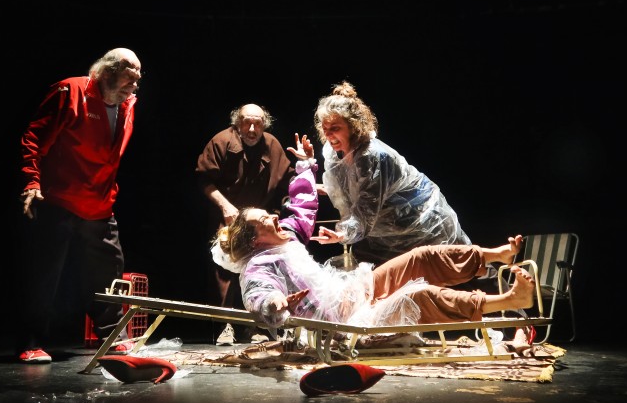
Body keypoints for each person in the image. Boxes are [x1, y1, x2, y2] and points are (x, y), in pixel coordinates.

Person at [211, 134, 536, 348]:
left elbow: (302, 204)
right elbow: (257, 293)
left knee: (419, 257)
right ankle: (509, 300)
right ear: (255, 241)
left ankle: (495, 255)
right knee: (418, 296)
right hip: (343, 325)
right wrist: (274, 304)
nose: (273, 218)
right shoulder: (258, 264)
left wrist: (306, 165)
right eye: (264, 221)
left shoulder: (287, 236)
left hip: (350, 293)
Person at [15, 47, 143, 363]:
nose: (135, 84)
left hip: (100, 202)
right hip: (59, 198)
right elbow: (34, 138)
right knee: (45, 273)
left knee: (109, 270)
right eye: (130, 76)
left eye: (138, 78)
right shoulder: (70, 91)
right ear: (108, 71)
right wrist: (32, 182)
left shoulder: (128, 104)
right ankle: (31, 341)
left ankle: (112, 337)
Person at [312, 81, 471, 266]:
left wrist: (342, 234)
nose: (328, 135)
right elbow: (347, 190)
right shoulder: (335, 154)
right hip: (387, 231)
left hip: (420, 224)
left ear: (353, 125)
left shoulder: (371, 157)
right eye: (325, 129)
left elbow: (367, 207)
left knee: (453, 268)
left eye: (335, 128)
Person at [196, 103, 295, 345]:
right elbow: (204, 180)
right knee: (225, 271)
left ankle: (259, 326)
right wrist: (225, 206)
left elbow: (288, 180)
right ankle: (224, 326)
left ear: (264, 125)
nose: (252, 129)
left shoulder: (271, 144)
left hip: (260, 220)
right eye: (246, 122)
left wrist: (309, 188)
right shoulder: (221, 141)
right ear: (237, 123)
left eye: (257, 123)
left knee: (264, 269)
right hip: (229, 218)